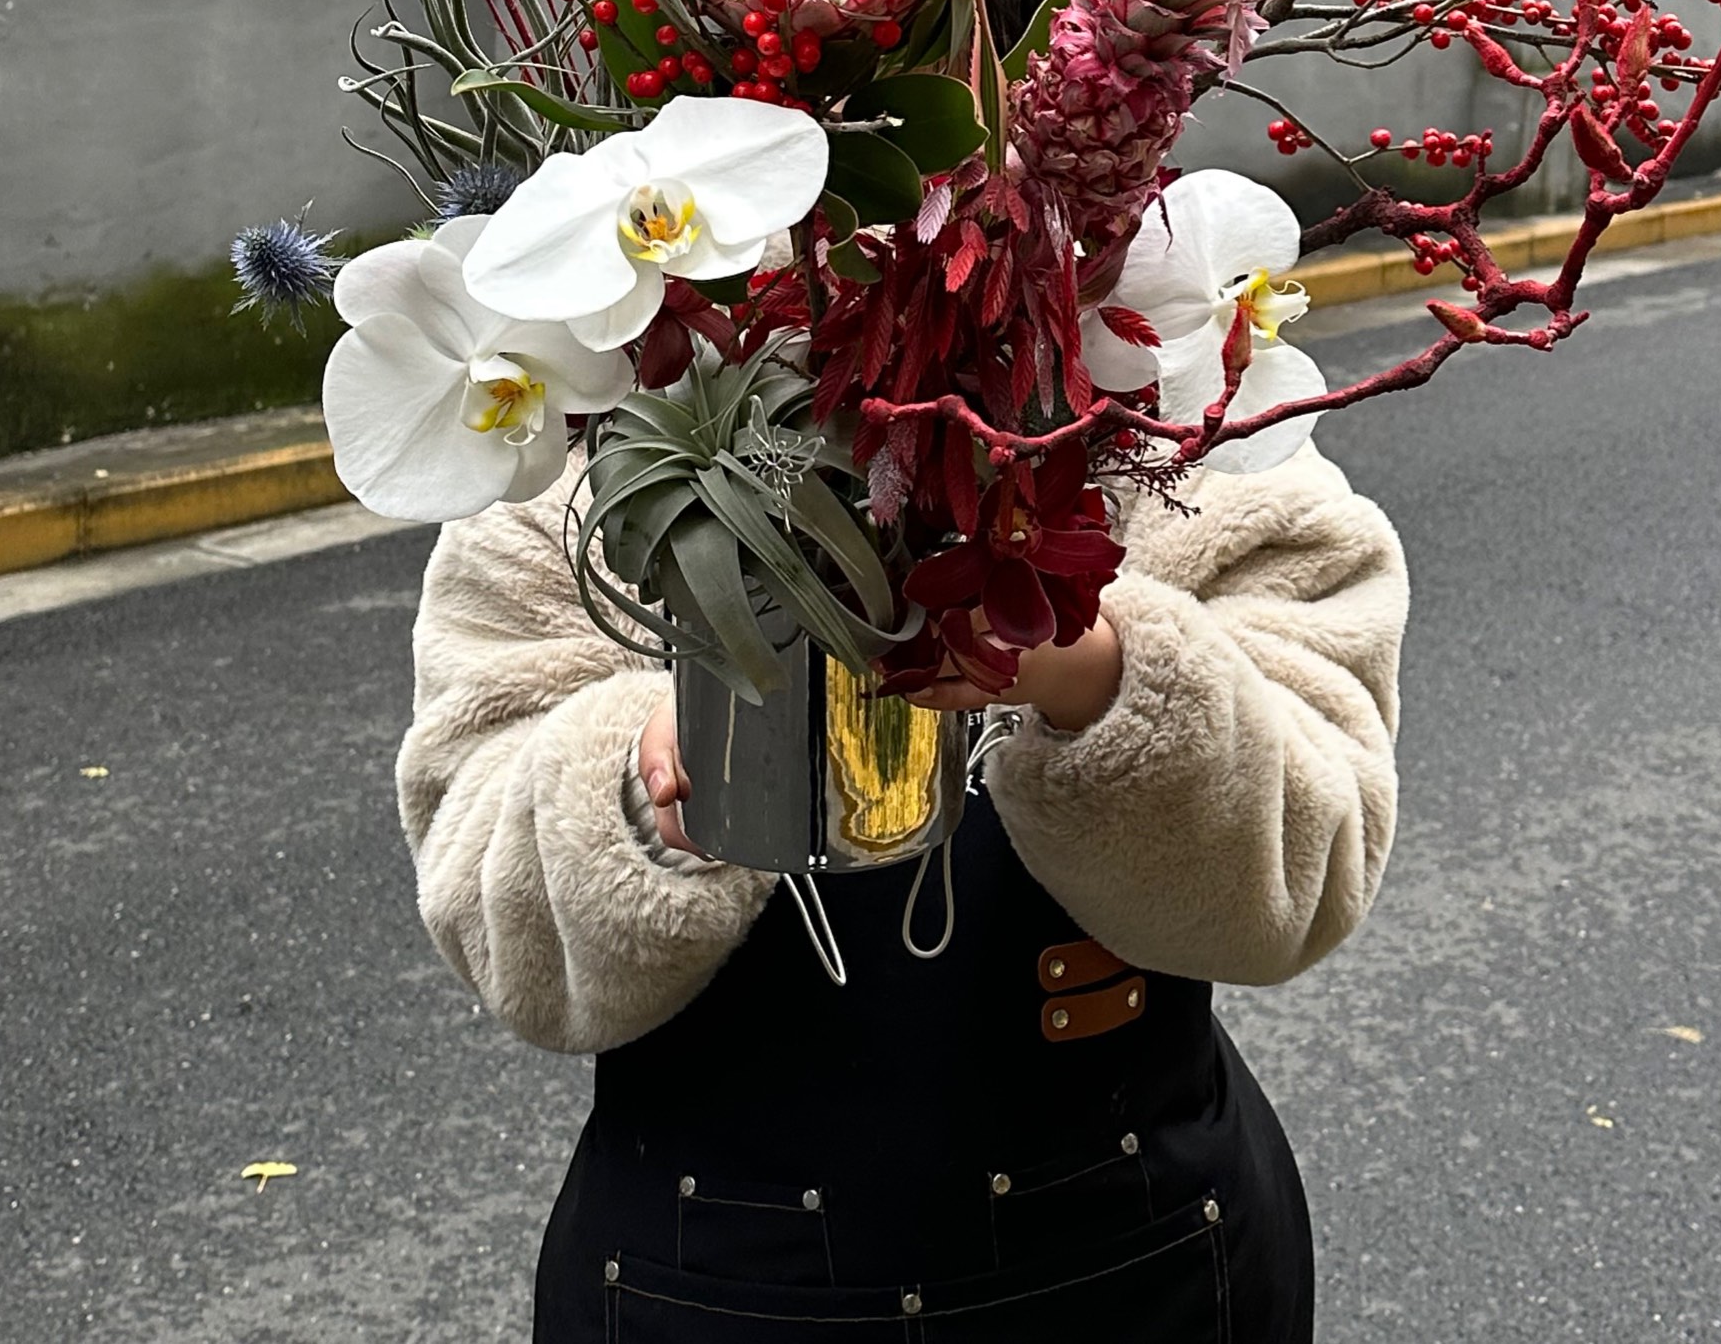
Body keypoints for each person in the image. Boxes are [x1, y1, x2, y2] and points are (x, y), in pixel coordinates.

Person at [398, 435, 1407, 1341]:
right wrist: (641, 797)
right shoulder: (568, 463)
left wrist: (1096, 674)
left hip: (1140, 1256)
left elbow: (1310, 864)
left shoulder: (1192, 433)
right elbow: (492, 913)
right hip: (706, 1274)